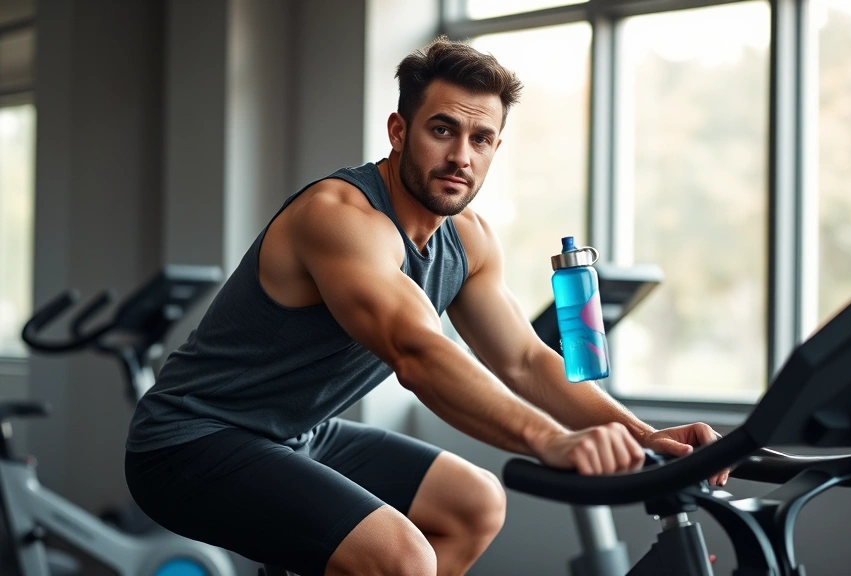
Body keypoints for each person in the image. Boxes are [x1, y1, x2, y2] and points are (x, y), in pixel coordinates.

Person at [124, 35, 728, 576]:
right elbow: (417, 353)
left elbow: (522, 359)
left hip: (298, 435)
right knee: (402, 558)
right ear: (398, 131)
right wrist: (550, 441)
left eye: (481, 138)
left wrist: (646, 437)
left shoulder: (467, 240)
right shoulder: (340, 218)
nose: (461, 155)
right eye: (443, 130)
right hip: (191, 440)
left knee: (474, 504)